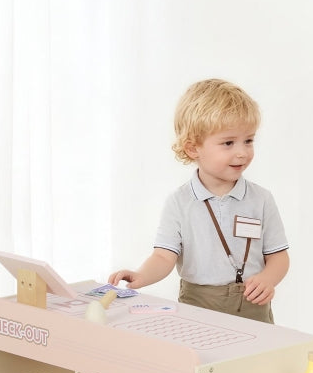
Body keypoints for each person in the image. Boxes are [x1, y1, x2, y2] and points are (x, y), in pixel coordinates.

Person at [109, 79, 289, 323]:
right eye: (228, 143)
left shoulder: (262, 199)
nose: (242, 152)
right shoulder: (179, 202)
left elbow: (278, 257)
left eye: (248, 140)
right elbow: (163, 257)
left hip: (252, 307)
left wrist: (268, 279)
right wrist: (140, 276)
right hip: (198, 306)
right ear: (193, 149)